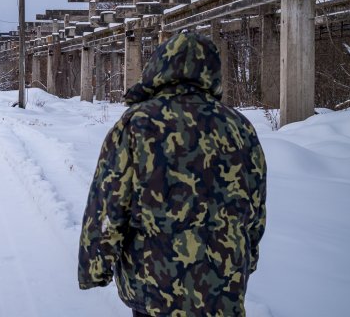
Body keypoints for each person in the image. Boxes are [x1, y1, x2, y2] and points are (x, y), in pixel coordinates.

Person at [78, 31, 266, 317]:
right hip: (223, 287)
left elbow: (108, 203)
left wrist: (96, 266)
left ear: (159, 67)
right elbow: (254, 208)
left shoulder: (138, 123)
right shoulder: (240, 127)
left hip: (154, 288)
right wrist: (246, 260)